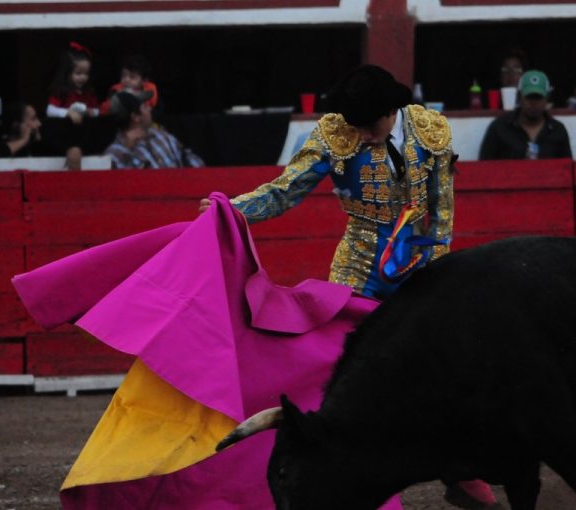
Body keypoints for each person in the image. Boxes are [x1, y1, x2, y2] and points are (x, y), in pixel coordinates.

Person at [200, 64, 499, 509]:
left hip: (419, 265)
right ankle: (346, 477)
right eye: (354, 127)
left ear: (391, 111)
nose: (361, 136)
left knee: (442, 371)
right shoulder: (334, 134)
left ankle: (462, 472)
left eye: (370, 126)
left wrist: (432, 272)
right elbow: (286, 190)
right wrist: (235, 210)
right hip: (359, 268)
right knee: (345, 378)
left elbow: (441, 211)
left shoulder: (430, 131)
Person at [480, 70, 572, 160]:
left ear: (547, 98)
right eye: (529, 97)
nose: (533, 103)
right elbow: (483, 169)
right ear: (519, 97)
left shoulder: (558, 130)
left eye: (538, 97)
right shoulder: (499, 128)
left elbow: (568, 169)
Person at [104, 89, 204, 169]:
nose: (150, 109)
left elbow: (186, 155)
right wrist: (127, 149)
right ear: (136, 117)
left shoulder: (161, 135)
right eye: (144, 106)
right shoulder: (115, 155)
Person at [0, 100, 82, 169]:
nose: (39, 123)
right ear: (17, 125)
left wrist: (73, 151)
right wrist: (23, 140)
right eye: (33, 119)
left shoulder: (37, 143)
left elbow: (59, 147)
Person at [46, 42, 100, 125]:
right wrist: (68, 113)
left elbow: (97, 111)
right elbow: (50, 110)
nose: (83, 77)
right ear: (67, 73)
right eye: (78, 73)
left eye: (86, 74)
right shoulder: (61, 91)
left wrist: (89, 112)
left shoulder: (89, 92)